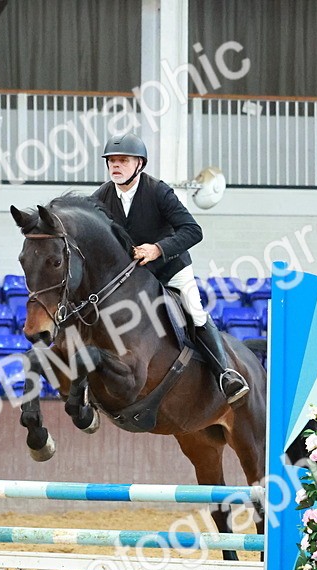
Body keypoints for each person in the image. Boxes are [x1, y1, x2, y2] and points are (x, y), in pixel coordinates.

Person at [91, 133, 249, 405]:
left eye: (123, 160)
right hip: (133, 277)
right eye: (111, 161)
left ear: (139, 163)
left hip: (170, 268)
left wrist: (158, 248)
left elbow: (193, 231)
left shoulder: (158, 191)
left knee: (194, 311)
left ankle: (225, 374)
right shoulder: (101, 197)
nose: (115, 166)